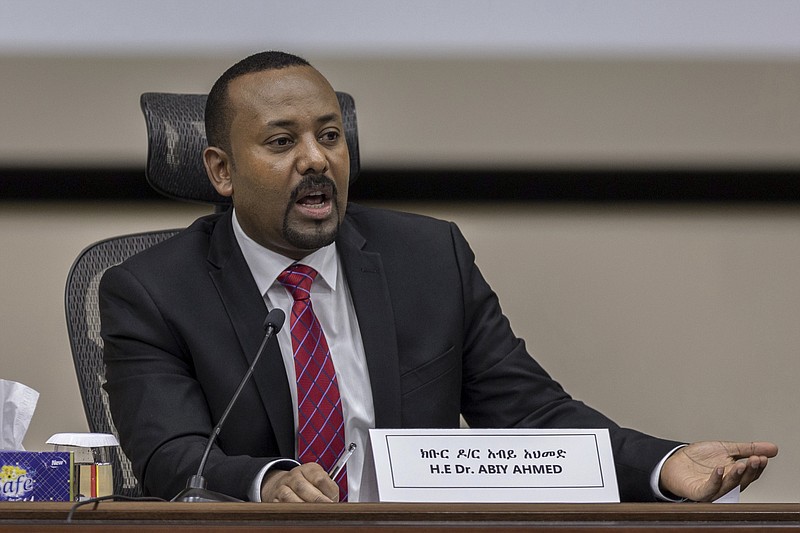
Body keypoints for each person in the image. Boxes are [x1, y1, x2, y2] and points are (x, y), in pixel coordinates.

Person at [99, 51, 777, 504]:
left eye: (331, 136)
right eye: (282, 142)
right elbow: (171, 454)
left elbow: (530, 414)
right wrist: (269, 480)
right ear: (221, 170)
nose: (316, 159)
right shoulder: (152, 290)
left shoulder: (427, 257)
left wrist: (664, 465)